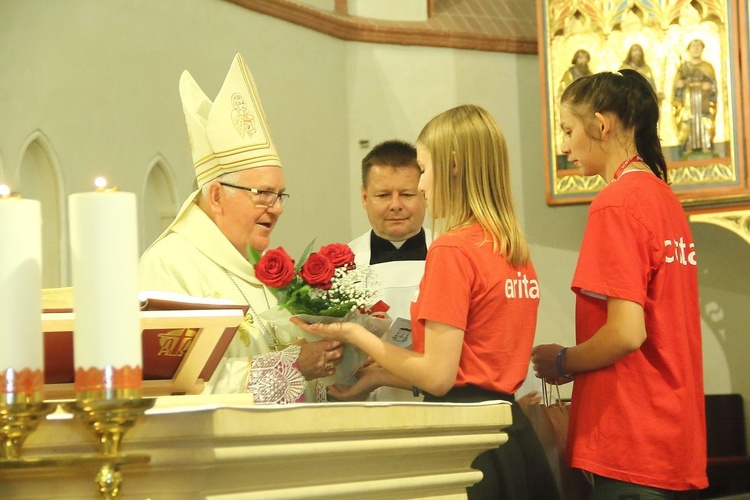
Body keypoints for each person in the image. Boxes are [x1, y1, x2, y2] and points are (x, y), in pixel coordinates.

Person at [293, 105, 560, 499]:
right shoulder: (509, 246)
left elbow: (440, 377)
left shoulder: (452, 248)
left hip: (464, 435)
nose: (420, 187)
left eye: (424, 169)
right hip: (508, 430)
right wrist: (379, 375)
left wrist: (352, 332)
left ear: (452, 169)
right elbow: (477, 365)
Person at [532, 69, 708, 497]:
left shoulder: (616, 201)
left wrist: (562, 362)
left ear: (602, 124)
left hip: (631, 432)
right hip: (673, 429)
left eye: (568, 130)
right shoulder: (663, 196)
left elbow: (627, 332)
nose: (564, 146)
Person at [139, 53, 343, 404]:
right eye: (263, 194)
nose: (276, 208)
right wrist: (291, 366)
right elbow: (171, 384)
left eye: (280, 195)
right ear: (216, 195)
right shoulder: (168, 266)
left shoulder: (266, 272)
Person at [348, 139, 430, 401]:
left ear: (424, 193)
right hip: (366, 407)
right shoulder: (342, 263)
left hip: (438, 402)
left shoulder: (453, 254)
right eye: (383, 195)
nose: (396, 205)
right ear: (364, 197)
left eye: (406, 194)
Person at [672, 39, 717, 156]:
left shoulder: (708, 67)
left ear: (702, 49)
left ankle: (706, 144)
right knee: (688, 120)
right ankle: (687, 146)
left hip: (703, 101)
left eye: (699, 46)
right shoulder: (683, 67)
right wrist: (679, 85)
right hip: (688, 100)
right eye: (693, 46)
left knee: (704, 120)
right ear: (688, 50)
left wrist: (710, 87)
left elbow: (714, 87)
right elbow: (676, 88)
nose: (696, 49)